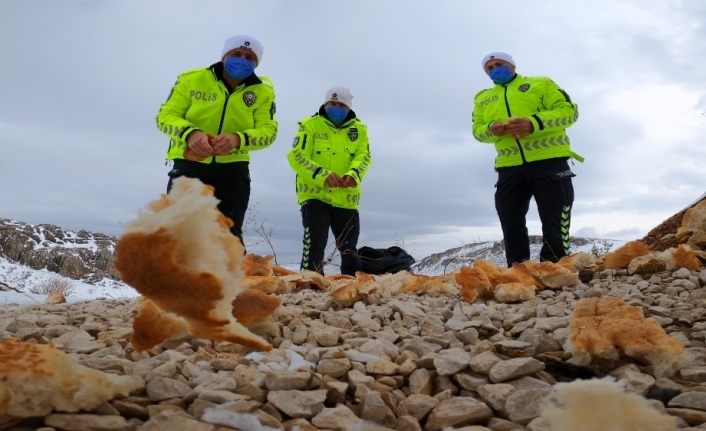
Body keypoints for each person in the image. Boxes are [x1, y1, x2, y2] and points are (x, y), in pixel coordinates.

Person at [155, 35, 277, 244]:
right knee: (179, 234)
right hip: (190, 165)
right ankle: (175, 277)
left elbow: (268, 131)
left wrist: (238, 139)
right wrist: (190, 133)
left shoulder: (263, 91)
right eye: (236, 54)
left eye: (249, 57)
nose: (242, 59)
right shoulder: (191, 79)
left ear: (256, 63)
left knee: (228, 239)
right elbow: (164, 117)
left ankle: (228, 277)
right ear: (224, 56)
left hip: (234, 171)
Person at [472, 52, 583, 267]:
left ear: (512, 65)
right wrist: (491, 130)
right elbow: (477, 132)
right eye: (490, 67)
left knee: (554, 218)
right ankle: (519, 270)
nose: (495, 69)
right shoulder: (483, 98)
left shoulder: (540, 83)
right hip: (508, 167)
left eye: (500, 64)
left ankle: (555, 267)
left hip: (549, 161)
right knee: (510, 219)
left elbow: (569, 112)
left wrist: (533, 123)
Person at [287, 87, 372, 275]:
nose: (336, 107)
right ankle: (309, 286)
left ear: (349, 108)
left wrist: (354, 175)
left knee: (349, 249)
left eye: (341, 105)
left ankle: (350, 286)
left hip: (346, 199)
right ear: (325, 104)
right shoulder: (309, 125)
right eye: (332, 104)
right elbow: (296, 156)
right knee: (315, 245)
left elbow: (363, 156)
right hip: (314, 196)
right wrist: (322, 175)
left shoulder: (359, 130)